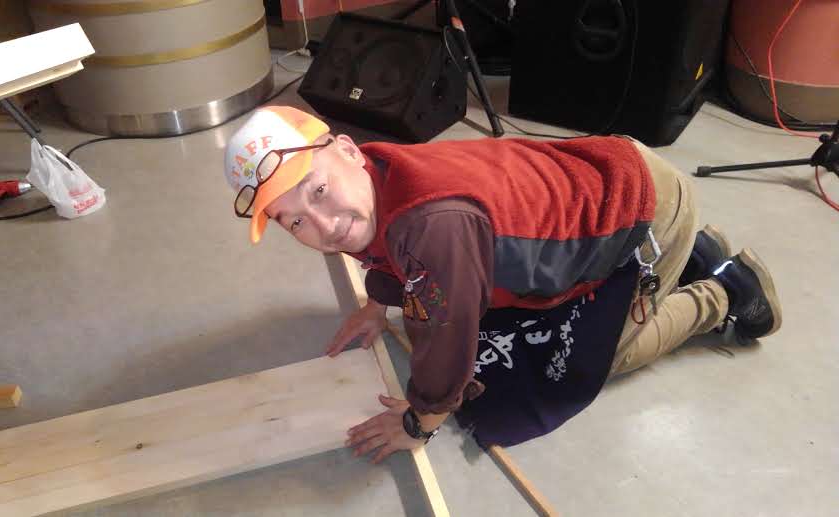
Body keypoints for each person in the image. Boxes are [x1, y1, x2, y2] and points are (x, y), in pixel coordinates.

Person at [225, 105, 782, 461]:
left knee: (596, 363)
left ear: (347, 149)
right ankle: (691, 254)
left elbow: (447, 341)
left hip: (639, 212)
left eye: (318, 191)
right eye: (294, 221)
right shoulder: (375, 175)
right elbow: (390, 256)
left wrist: (419, 423)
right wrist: (377, 304)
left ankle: (727, 289)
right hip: (608, 173)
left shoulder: (431, 227)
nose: (322, 225)